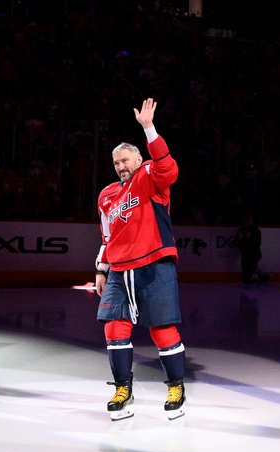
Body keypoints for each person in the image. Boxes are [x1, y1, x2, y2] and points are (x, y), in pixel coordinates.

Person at [95, 98, 186, 421]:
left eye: (125, 160)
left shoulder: (150, 176)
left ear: (138, 158)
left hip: (154, 264)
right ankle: (123, 388)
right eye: (116, 162)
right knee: (114, 330)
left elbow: (167, 166)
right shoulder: (106, 195)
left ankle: (176, 386)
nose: (121, 166)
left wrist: (149, 128)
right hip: (118, 270)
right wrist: (101, 268)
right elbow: (107, 236)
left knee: (162, 330)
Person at [234, 211, 262, 283]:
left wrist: (247, 238)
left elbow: (257, 244)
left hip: (255, 254)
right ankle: (254, 275)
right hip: (245, 256)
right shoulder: (241, 231)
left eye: (250, 219)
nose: (249, 221)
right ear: (243, 220)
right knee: (245, 279)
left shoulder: (256, 231)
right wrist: (240, 239)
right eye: (247, 219)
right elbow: (234, 243)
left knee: (252, 259)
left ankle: (255, 273)